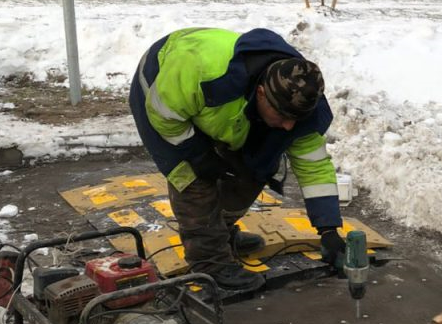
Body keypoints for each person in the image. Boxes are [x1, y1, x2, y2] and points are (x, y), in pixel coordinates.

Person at [129, 27, 346, 293]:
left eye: (295, 120)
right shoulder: (203, 74)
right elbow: (165, 116)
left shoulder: (298, 104)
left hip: (224, 108)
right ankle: (209, 262)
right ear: (262, 93)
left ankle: (220, 234)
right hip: (161, 92)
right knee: (193, 177)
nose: (289, 126)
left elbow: (313, 166)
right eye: (283, 117)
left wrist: (329, 230)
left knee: (255, 166)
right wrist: (197, 154)